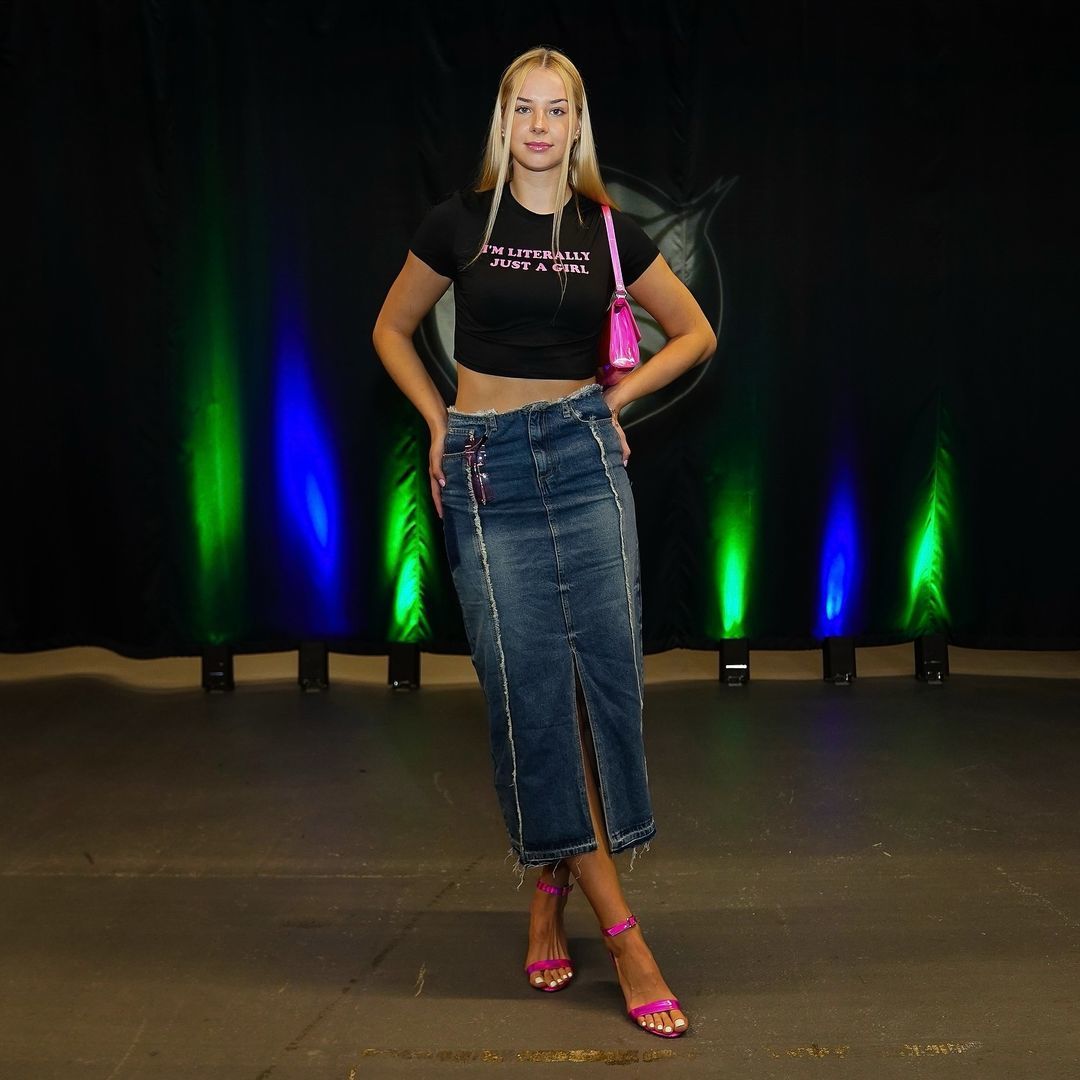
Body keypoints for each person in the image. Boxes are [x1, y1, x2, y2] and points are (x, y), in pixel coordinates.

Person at [372, 46, 715, 1039]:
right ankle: (625, 933)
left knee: (601, 688)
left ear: (577, 125)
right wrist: (438, 419)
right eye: (522, 109)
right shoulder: (457, 223)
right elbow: (391, 329)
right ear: (502, 120)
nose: (538, 126)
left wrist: (615, 400)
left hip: (581, 460)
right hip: (486, 469)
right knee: (531, 702)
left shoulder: (607, 230)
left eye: (555, 110)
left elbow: (694, 333)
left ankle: (552, 885)